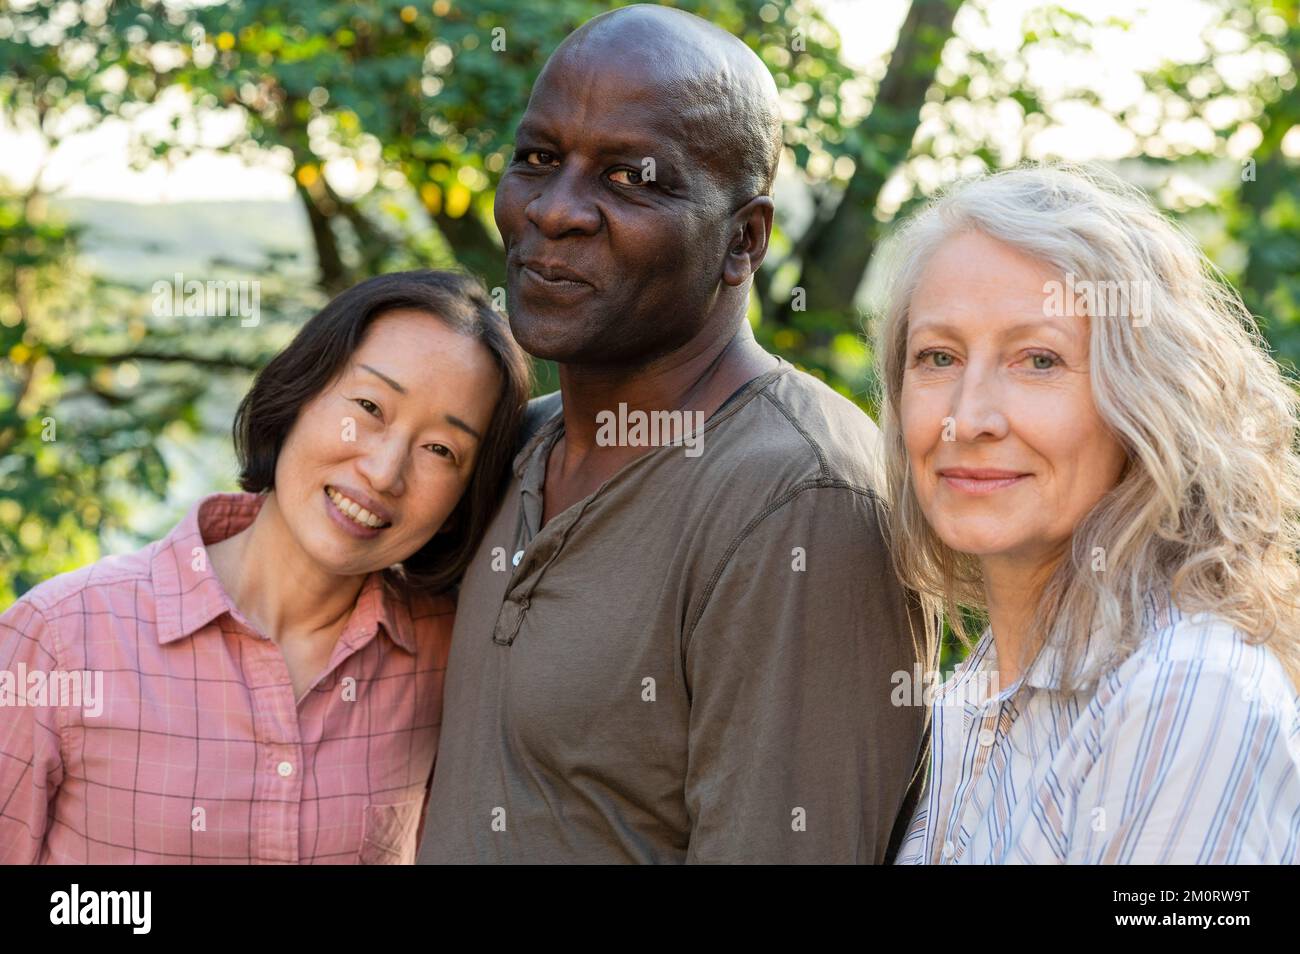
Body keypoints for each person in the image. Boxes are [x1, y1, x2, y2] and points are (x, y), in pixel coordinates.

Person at [417, 5, 928, 864]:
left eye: (630, 179)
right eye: (539, 160)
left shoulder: (799, 504)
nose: (556, 211)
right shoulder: (512, 449)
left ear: (743, 240)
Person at [0, 270, 531, 863]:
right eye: (369, 407)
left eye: (441, 450)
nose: (384, 472)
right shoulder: (60, 638)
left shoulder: (450, 655)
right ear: (299, 394)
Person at [874, 164, 1300, 864]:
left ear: (1145, 403)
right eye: (939, 357)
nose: (967, 417)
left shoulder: (1186, 695)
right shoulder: (971, 697)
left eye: (1038, 360)